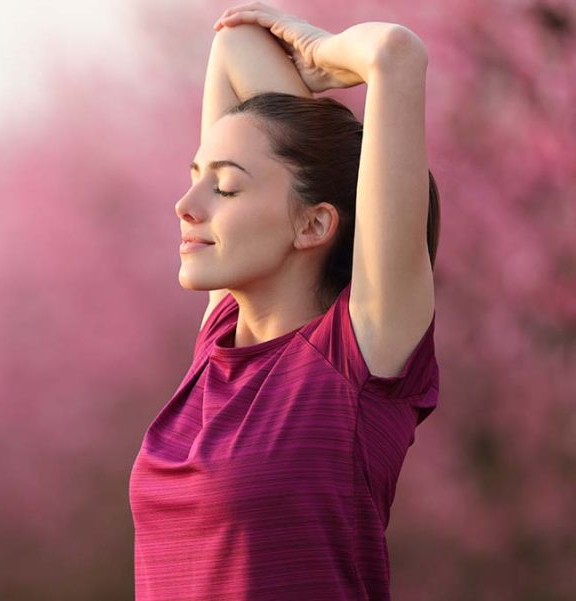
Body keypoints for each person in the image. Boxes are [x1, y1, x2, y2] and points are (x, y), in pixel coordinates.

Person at [128, 3, 442, 600]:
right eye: (195, 176)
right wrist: (309, 111)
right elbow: (235, 43)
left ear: (315, 225)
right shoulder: (218, 341)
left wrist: (322, 53)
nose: (186, 203)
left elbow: (396, 55)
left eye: (223, 186)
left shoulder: (355, 360)